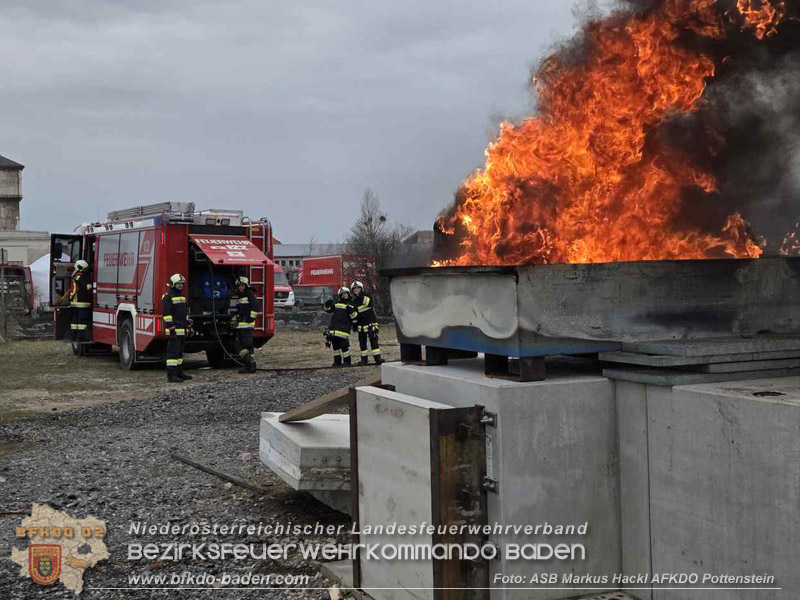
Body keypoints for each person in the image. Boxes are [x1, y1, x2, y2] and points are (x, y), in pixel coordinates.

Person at [162, 273, 192, 383]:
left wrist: (188, 324)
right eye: (178, 284)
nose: (180, 286)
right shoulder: (168, 297)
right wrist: (171, 328)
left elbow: (184, 313)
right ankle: (171, 375)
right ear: (173, 284)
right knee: (172, 355)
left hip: (182, 330)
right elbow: (167, 314)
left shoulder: (182, 297)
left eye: (181, 284)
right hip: (174, 330)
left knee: (179, 353)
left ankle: (179, 373)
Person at [230, 275, 259, 374]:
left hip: (247, 325)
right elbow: (235, 310)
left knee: (246, 345)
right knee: (239, 345)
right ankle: (249, 364)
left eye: (242, 285)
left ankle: (250, 364)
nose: (241, 287)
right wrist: (234, 319)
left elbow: (255, 306)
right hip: (240, 325)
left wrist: (250, 318)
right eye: (239, 286)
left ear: (246, 285)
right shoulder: (238, 296)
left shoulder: (249, 294)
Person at [350, 280, 383, 365]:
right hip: (361, 326)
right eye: (354, 289)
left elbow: (367, 303)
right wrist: (354, 323)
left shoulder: (366, 296)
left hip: (370, 324)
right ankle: (364, 360)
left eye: (358, 288)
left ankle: (377, 358)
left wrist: (359, 295)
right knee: (362, 343)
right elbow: (354, 313)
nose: (356, 290)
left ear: (361, 289)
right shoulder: (354, 302)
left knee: (374, 342)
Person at [324, 287, 357, 367]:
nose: (344, 295)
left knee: (344, 347)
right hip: (334, 329)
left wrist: (350, 310)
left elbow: (354, 316)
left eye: (345, 293)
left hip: (344, 329)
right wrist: (326, 304)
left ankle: (347, 361)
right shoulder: (337, 304)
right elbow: (328, 310)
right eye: (342, 294)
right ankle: (337, 362)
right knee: (336, 347)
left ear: (348, 294)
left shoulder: (351, 304)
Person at [65, 260, 92, 343]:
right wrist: (91, 286)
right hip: (82, 302)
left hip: (75, 302)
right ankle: (81, 337)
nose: (86, 271)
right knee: (82, 321)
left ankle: (73, 337)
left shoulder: (75, 275)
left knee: (75, 320)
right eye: (85, 269)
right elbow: (85, 287)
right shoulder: (80, 276)